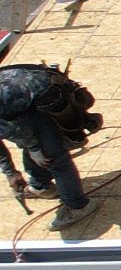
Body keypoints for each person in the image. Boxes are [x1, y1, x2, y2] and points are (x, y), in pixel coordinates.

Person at [0, 64, 90, 224]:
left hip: (44, 94)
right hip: (22, 100)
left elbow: (16, 131)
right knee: (36, 147)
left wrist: (34, 148)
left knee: (52, 156)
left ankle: (79, 206)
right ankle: (41, 186)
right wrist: (11, 173)